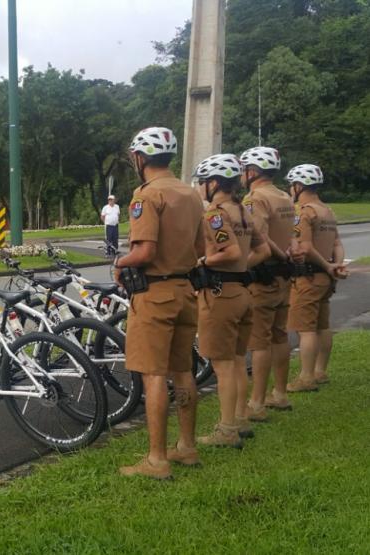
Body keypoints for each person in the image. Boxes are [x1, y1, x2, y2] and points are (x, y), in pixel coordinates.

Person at [115, 127, 205, 480]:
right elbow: (202, 250)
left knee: (153, 374)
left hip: (154, 295)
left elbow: (145, 250)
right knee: (183, 371)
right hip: (185, 292)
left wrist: (121, 263)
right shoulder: (192, 194)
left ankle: (156, 459)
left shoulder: (146, 196)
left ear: (140, 158)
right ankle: (187, 447)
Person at [193, 154, 271, 449]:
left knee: (223, 365)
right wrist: (241, 269)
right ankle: (239, 419)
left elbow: (228, 251)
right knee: (238, 361)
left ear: (214, 183)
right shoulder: (242, 210)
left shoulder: (215, 214)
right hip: (242, 293)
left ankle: (227, 429)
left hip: (222, 295)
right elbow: (262, 250)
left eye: (203, 182)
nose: (201, 187)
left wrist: (204, 260)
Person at [239, 147, 297, 417]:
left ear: (252, 172)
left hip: (264, 275)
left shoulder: (255, 198)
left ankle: (257, 402)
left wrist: (277, 253)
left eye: (243, 169)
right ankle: (280, 394)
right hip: (285, 275)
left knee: (259, 341)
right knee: (279, 334)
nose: (240, 175)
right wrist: (287, 255)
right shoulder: (284, 195)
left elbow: (260, 235)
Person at [286, 164, 348, 391]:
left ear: (299, 186)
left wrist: (327, 265)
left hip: (309, 277)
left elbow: (306, 247)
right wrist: (336, 265)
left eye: (291, 185)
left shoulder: (305, 212)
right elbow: (337, 244)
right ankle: (320, 371)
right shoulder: (327, 210)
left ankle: (306, 377)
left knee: (306, 329)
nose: (290, 189)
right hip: (325, 279)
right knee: (323, 325)